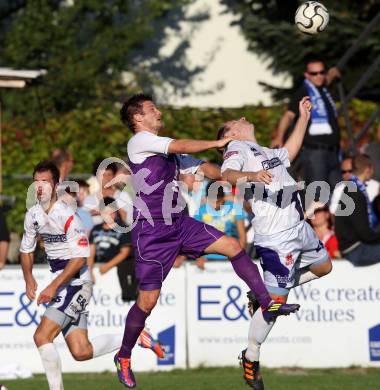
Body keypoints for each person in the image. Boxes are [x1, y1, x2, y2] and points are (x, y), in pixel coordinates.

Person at [114, 93, 300, 388]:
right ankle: (124, 356)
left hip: (180, 224)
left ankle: (266, 303)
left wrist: (238, 174)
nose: (159, 112)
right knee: (147, 302)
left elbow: (206, 169)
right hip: (152, 234)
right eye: (152, 109)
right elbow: (181, 145)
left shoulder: (168, 153)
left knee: (233, 247)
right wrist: (216, 143)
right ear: (138, 118)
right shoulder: (140, 142)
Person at [219, 96, 332, 389]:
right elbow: (227, 173)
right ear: (231, 134)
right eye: (236, 121)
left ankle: (262, 294)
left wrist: (303, 116)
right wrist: (250, 175)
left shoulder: (264, 150)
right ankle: (251, 356)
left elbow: (290, 150)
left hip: (298, 227)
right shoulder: (236, 148)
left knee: (324, 267)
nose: (243, 118)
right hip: (277, 239)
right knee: (275, 304)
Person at [19, 161, 164, 390]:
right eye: (36, 181)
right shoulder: (33, 215)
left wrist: (52, 287)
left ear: (56, 185)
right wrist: (29, 278)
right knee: (81, 351)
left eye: (45, 181)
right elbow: (25, 250)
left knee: (41, 337)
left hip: (76, 283)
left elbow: (79, 260)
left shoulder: (67, 215)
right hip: (62, 282)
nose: (39, 186)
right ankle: (137, 336)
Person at [273, 56, 341, 188]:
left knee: (340, 195)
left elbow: (328, 78)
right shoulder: (303, 92)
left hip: (333, 152)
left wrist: (333, 72)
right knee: (318, 195)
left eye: (322, 72)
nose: (319, 76)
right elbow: (288, 115)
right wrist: (279, 136)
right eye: (314, 73)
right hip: (315, 153)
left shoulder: (322, 88)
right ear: (307, 75)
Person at [335, 154, 380, 265]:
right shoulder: (354, 193)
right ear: (368, 168)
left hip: (355, 247)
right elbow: (365, 233)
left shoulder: (352, 188)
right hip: (355, 250)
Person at [194, 182, 247, 269]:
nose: (215, 205)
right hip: (207, 258)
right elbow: (195, 238)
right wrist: (198, 257)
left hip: (231, 257)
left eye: (218, 201)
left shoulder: (235, 208)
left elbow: (242, 237)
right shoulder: (200, 212)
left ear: (223, 198)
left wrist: (240, 258)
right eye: (211, 201)